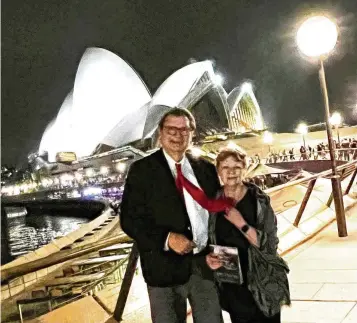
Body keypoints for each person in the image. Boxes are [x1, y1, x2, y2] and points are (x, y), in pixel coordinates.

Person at [120, 107, 223, 323]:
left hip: (203, 265)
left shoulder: (205, 169)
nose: (178, 135)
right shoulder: (142, 170)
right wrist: (166, 239)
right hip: (163, 270)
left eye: (184, 130)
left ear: (192, 133)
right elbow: (130, 219)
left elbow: (219, 215)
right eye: (171, 130)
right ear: (160, 133)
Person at [206, 148, 290, 323]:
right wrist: (209, 258)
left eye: (236, 166)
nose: (231, 172)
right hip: (232, 282)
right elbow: (209, 239)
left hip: (262, 279)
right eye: (225, 167)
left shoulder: (258, 201)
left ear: (245, 169)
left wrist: (241, 223)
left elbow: (269, 244)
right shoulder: (213, 202)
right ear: (218, 171)